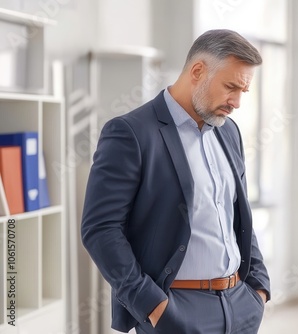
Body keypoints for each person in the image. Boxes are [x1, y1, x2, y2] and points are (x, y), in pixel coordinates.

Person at [81, 29, 271, 334]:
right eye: (230, 87)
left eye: (243, 91)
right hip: (176, 309)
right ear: (197, 71)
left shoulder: (228, 132)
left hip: (239, 304)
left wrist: (258, 289)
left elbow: (238, 215)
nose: (236, 101)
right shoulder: (131, 133)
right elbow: (100, 229)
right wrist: (153, 307)